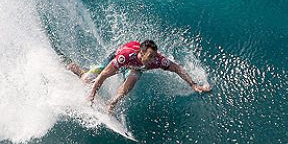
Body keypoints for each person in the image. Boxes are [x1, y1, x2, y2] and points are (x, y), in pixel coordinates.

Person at [66, 40, 211, 111]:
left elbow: (177, 68)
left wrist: (193, 85)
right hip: (117, 59)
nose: (153, 60)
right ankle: (77, 70)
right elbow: (104, 75)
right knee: (87, 79)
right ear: (141, 54)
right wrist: (92, 94)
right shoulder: (125, 56)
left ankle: (110, 105)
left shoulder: (157, 61)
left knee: (130, 83)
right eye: (150, 56)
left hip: (136, 68)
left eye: (154, 56)